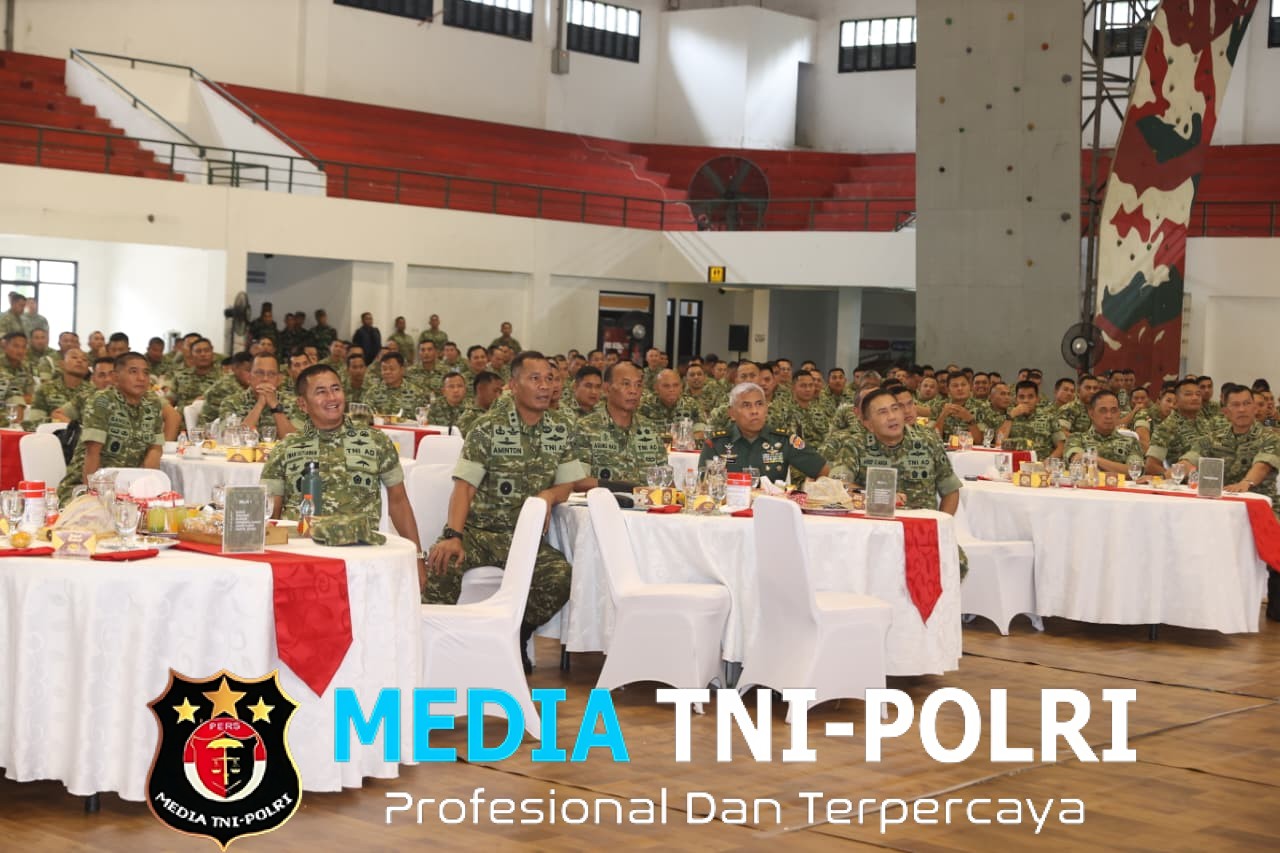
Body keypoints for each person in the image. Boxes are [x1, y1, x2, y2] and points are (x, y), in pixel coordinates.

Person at [424, 351, 586, 672]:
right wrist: (453, 535)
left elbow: (568, 484)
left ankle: (516, 635)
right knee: (442, 565)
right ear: (514, 385)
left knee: (561, 577)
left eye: (549, 379)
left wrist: (549, 495)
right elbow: (464, 488)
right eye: (535, 379)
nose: (544, 386)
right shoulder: (488, 428)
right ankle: (432, 647)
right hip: (477, 533)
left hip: (522, 538)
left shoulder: (561, 429)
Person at [260, 363, 426, 576]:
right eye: (321, 392)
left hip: (360, 554)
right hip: (300, 555)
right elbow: (270, 512)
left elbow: (399, 502)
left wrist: (417, 557)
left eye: (336, 389)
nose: (332, 397)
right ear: (303, 404)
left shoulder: (375, 441)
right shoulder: (285, 448)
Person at [1178, 385, 1280, 621]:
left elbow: (1262, 466)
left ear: (1255, 408)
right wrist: (1183, 471)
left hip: (1263, 506)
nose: (1242, 409)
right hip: (1218, 506)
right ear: (1225, 411)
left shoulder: (1270, 438)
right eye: (1235, 405)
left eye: (1246, 404)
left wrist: (1246, 483)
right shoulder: (1212, 438)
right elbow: (1188, 461)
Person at [827, 388, 962, 513]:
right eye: (883, 412)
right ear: (868, 424)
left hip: (919, 525)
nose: (892, 417)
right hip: (874, 524)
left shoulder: (929, 441)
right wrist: (876, 495)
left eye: (895, 409)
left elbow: (951, 491)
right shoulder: (855, 445)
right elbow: (836, 484)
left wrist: (941, 524)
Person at [58, 352, 164, 502]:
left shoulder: (153, 403)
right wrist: (93, 498)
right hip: (85, 486)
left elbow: (155, 449)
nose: (141, 378)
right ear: (115, 377)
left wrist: (147, 493)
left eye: (146, 373)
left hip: (129, 489)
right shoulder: (102, 401)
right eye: (133, 372)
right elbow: (92, 453)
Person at [700, 382, 829, 483]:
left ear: (766, 408)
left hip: (771, 507)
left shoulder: (784, 440)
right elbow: (704, 484)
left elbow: (822, 471)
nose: (754, 411)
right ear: (732, 413)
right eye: (746, 405)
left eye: (759, 404)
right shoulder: (716, 444)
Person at [573, 361, 667, 489]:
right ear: (607, 389)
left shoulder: (650, 429)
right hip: (605, 500)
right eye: (626, 384)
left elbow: (665, 480)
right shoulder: (586, 428)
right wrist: (627, 489)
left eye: (638, 385)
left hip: (645, 501)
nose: (633, 391)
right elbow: (579, 481)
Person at [1144, 378, 1219, 475]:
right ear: (1176, 400)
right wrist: (1173, 476)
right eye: (1188, 394)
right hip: (1186, 481)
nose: (1195, 398)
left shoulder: (1204, 422)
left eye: (1198, 394)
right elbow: (1151, 466)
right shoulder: (1168, 427)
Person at [219, 353, 303, 437]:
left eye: (271, 374)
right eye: (259, 373)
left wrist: (275, 406)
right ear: (249, 377)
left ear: (279, 380)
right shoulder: (231, 403)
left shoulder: (293, 403)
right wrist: (259, 404)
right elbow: (230, 438)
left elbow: (295, 440)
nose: (265, 379)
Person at [1064, 390, 1142, 472]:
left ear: (1119, 413)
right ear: (1091, 413)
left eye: (1113, 411)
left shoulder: (1131, 441)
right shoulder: (1077, 438)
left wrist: (1094, 459)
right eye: (1103, 410)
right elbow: (1078, 463)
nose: (1109, 416)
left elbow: (1135, 470)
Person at [997, 380, 1064, 458]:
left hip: (1041, 462)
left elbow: (1061, 447)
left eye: (1030, 397)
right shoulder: (1007, 417)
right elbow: (999, 442)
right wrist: (1011, 416)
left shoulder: (1049, 418)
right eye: (1021, 397)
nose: (1026, 400)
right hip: (1014, 461)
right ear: (1016, 400)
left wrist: (1049, 461)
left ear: (1037, 399)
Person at [27, 348, 90, 425]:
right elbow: (33, 423)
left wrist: (70, 424)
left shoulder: (93, 392)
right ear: (62, 364)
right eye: (74, 357)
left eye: (84, 359)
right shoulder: (45, 389)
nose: (80, 361)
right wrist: (57, 421)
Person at [200, 351, 254, 425]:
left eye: (254, 371)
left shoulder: (242, 383)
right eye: (248, 370)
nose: (252, 375)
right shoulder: (226, 386)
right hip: (210, 428)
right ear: (235, 368)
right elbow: (244, 411)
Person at [934, 373, 988, 445]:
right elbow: (933, 439)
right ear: (948, 389)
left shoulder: (981, 407)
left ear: (970, 387)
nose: (960, 388)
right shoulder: (938, 407)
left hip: (970, 450)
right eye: (955, 386)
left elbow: (980, 441)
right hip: (944, 449)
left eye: (963, 385)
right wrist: (942, 416)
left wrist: (969, 419)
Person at [170, 338, 220, 409]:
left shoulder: (223, 378)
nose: (203, 354)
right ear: (191, 354)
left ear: (212, 353)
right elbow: (169, 400)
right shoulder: (180, 376)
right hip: (182, 414)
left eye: (206, 351)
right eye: (198, 351)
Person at [0, 331, 33, 423]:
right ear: (5, 346)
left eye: (24, 347)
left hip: (16, 410)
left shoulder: (25, 368)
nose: (20, 351)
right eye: (16, 346)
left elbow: (30, 396)